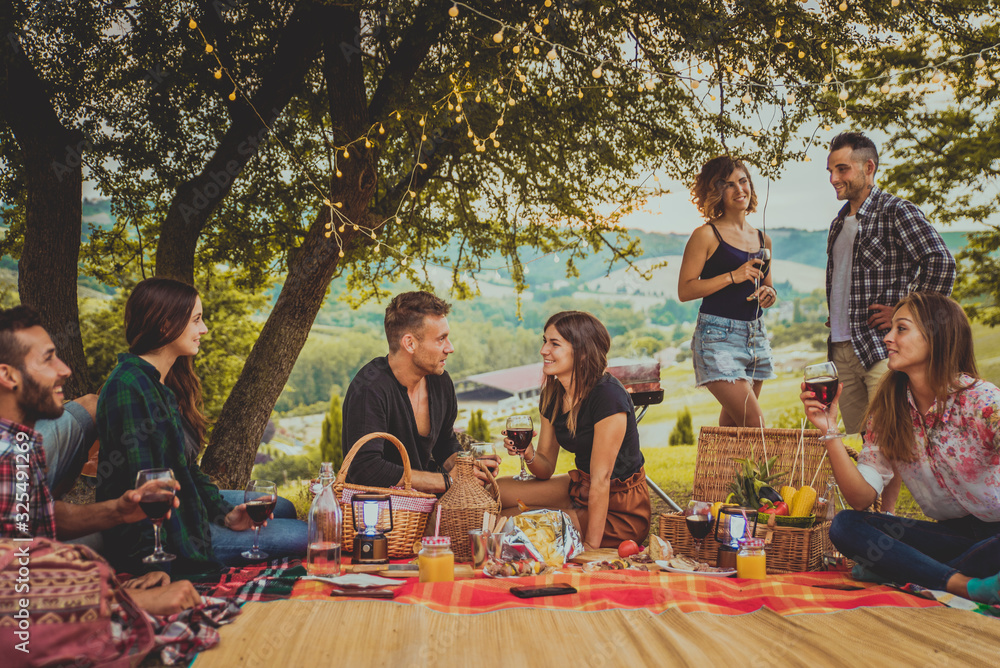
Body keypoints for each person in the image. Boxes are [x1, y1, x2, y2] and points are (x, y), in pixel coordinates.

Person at [96, 278, 306, 577]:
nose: (204, 329)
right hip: (167, 533)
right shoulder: (129, 387)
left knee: (281, 507)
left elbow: (187, 469)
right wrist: (156, 568)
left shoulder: (164, 380)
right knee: (305, 534)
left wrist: (225, 514)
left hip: (183, 505)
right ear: (166, 325)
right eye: (196, 320)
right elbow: (142, 491)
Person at [800, 292, 1000, 604]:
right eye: (890, 329)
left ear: (937, 337)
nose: (888, 338)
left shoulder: (981, 401)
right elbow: (862, 497)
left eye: (901, 329)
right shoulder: (889, 410)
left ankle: (908, 571)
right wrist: (830, 431)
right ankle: (963, 584)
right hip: (948, 536)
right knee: (845, 525)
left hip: (996, 537)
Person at [0, 305, 201, 615]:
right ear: (7, 375)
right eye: (47, 358)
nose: (65, 369)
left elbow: (42, 517)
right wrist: (130, 602)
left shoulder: (23, 442)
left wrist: (117, 511)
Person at [824, 131, 956, 437]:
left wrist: (907, 315)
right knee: (859, 446)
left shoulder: (896, 211)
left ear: (868, 168)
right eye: (831, 171)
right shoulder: (838, 223)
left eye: (842, 169)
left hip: (879, 348)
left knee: (885, 443)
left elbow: (941, 262)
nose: (833, 178)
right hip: (841, 349)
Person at [497, 311, 650, 550]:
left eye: (554, 344)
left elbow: (601, 480)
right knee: (495, 493)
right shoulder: (553, 394)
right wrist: (529, 453)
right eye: (544, 341)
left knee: (506, 523)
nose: (544, 350)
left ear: (582, 351)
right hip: (581, 489)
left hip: (618, 508)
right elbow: (545, 468)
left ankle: (572, 528)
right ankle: (564, 518)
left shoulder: (607, 396)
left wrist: (590, 547)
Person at [342, 290, 498, 493]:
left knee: (500, 497)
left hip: (423, 504)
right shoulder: (369, 390)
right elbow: (367, 468)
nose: (450, 348)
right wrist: (447, 482)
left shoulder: (441, 381)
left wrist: (467, 468)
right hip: (380, 514)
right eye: (441, 339)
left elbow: (445, 442)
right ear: (410, 343)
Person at [678, 155, 777, 427]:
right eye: (729, 184)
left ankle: (719, 472)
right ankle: (760, 472)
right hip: (718, 337)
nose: (739, 189)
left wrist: (770, 295)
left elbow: (767, 287)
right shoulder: (706, 235)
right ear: (716, 192)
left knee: (735, 429)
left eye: (743, 181)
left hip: (755, 335)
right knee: (754, 424)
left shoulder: (762, 239)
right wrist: (733, 276)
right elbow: (685, 290)